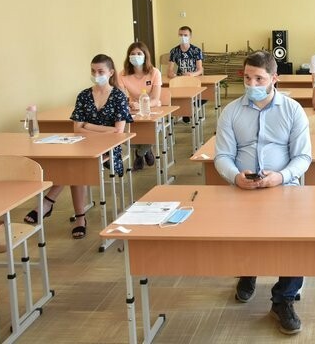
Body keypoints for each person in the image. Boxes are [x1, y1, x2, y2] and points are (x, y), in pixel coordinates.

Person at [214, 51, 312, 335]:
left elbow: (303, 157)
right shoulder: (231, 111)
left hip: (283, 187)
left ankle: (283, 299)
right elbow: (222, 156)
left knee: (295, 238)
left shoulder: (292, 110)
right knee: (242, 232)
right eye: (247, 78)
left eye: (259, 79)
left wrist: (280, 177)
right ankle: (248, 272)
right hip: (242, 188)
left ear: (274, 79)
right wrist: (235, 176)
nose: (252, 84)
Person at [24, 54, 132, 239]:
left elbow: (118, 131)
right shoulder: (84, 95)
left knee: (76, 166)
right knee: (73, 162)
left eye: (100, 71)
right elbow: (76, 129)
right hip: (82, 144)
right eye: (93, 71)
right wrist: (100, 129)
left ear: (111, 72)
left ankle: (52, 204)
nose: (96, 75)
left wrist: (88, 126)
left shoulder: (118, 96)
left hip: (109, 147)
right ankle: (69, 213)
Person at [117, 41, 162, 170]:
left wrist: (142, 106)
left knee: (152, 132)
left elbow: (155, 99)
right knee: (123, 134)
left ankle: (140, 153)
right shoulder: (123, 74)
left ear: (145, 55)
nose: (135, 56)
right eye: (132, 54)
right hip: (132, 109)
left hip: (152, 108)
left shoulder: (154, 72)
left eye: (139, 53)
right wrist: (129, 105)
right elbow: (121, 98)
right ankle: (146, 149)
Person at [168, 26, 202, 122]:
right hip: (180, 80)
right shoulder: (174, 51)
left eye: (185, 35)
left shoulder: (196, 50)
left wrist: (192, 74)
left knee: (195, 95)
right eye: (181, 35)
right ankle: (185, 111)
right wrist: (173, 75)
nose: (183, 37)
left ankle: (188, 110)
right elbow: (169, 70)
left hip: (193, 79)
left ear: (190, 36)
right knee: (179, 94)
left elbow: (200, 69)